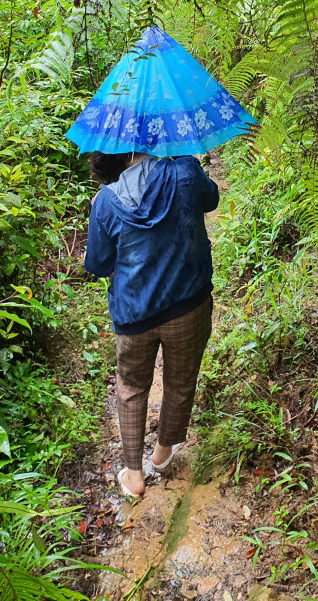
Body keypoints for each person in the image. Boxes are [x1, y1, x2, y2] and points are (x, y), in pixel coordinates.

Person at [83, 150, 219, 498]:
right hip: (188, 305)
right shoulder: (185, 170)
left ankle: (133, 474)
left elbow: (98, 264)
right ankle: (161, 454)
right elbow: (212, 197)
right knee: (181, 380)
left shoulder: (105, 202)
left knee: (130, 388)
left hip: (133, 317)